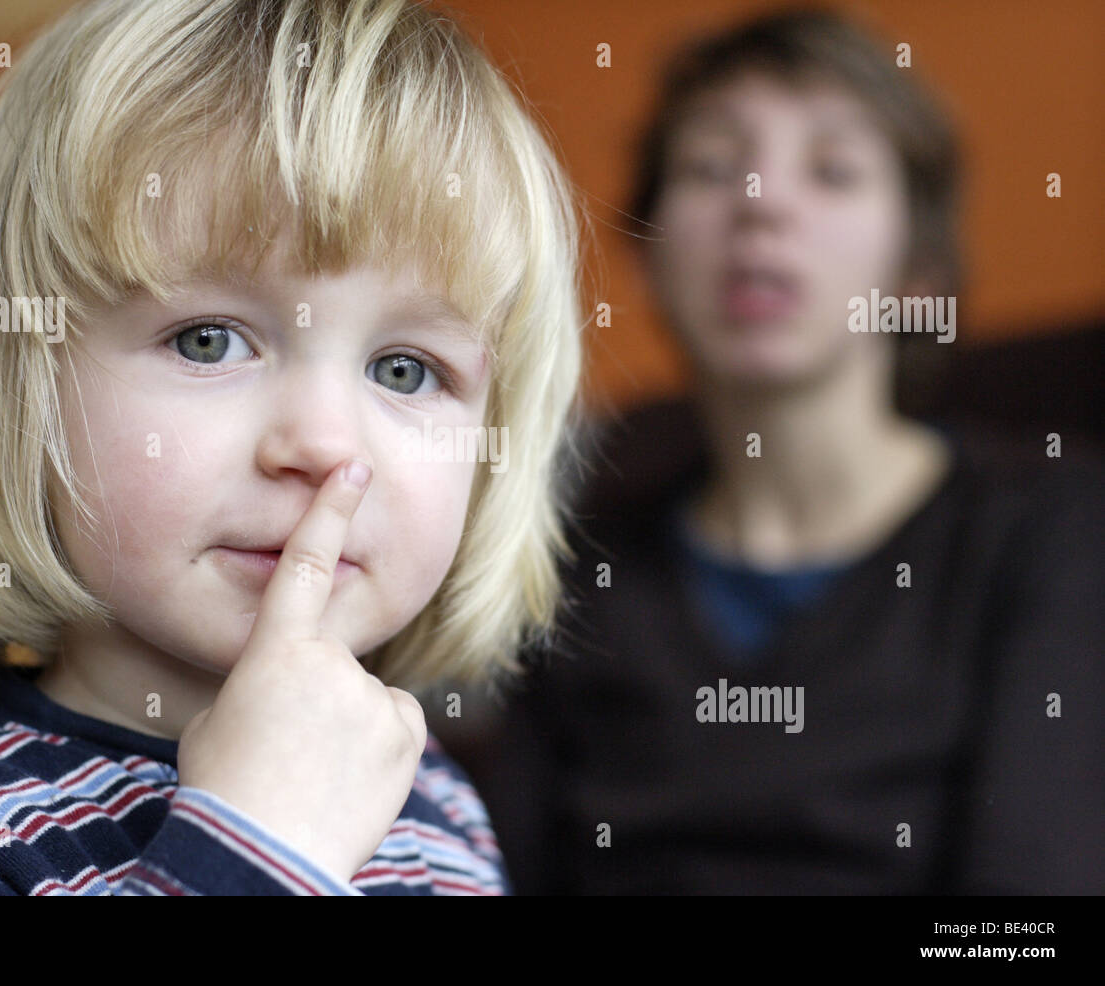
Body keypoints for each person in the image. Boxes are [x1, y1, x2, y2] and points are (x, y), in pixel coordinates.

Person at [0, 0, 585, 895]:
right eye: (207, 340)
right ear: (18, 391)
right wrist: (259, 849)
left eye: (405, 370)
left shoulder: (439, 815)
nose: (326, 446)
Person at [468, 8, 1105, 894]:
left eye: (834, 171)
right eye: (710, 168)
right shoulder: (586, 564)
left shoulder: (1048, 529)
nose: (760, 202)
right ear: (649, 257)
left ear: (917, 271)